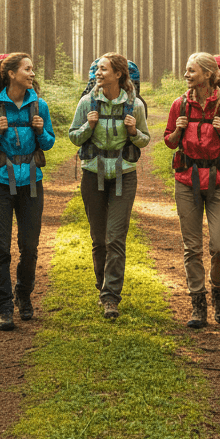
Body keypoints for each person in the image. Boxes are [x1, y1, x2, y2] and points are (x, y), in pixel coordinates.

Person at [0, 51, 55, 330]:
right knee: (1, 248)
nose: (32, 74)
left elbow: (49, 143)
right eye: (27, 69)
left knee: (29, 246)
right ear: (10, 74)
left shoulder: (39, 105)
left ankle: (23, 294)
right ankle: (4, 305)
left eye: (32, 69)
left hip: (31, 179)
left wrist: (41, 132)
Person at [164, 52, 220, 328]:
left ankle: (219, 293)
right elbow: (169, 142)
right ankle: (198, 303)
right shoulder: (180, 104)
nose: (186, 75)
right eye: (187, 71)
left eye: (191, 71)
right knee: (192, 247)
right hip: (186, 181)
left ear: (208, 75)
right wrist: (177, 131)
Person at [69, 53, 150, 320]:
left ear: (118, 74)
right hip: (93, 175)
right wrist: (89, 126)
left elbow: (145, 140)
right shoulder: (87, 102)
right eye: (97, 70)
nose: (97, 73)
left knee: (116, 237)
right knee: (99, 239)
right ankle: (101, 283)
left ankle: (110, 297)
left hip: (124, 176)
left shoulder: (134, 105)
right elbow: (73, 137)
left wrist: (133, 132)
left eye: (103, 69)